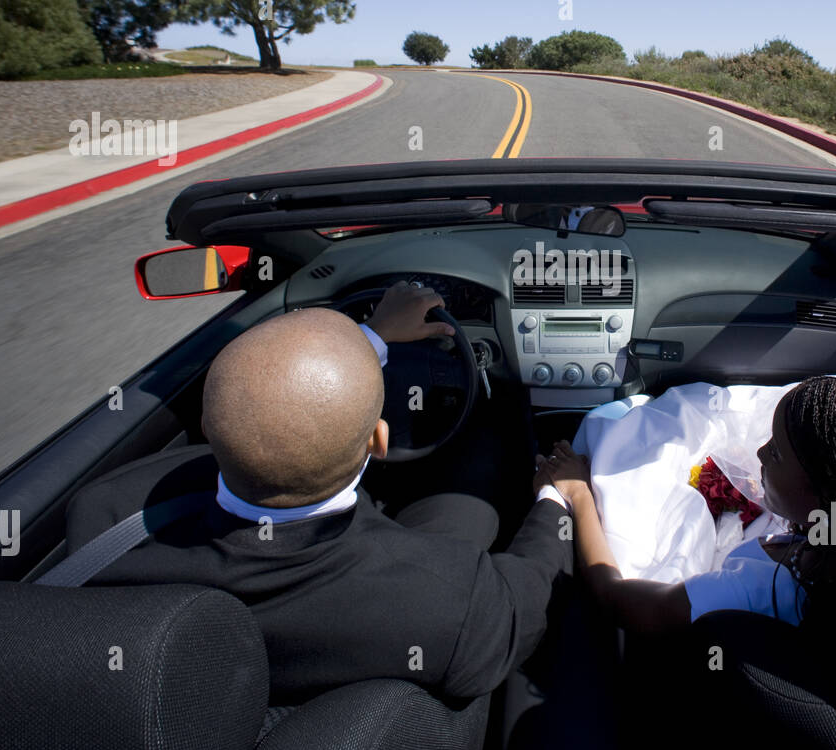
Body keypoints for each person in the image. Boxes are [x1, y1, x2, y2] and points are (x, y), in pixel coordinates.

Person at [67, 281, 574, 705]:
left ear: (206, 422)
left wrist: (372, 334)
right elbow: (524, 594)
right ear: (380, 440)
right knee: (483, 444)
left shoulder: (104, 519)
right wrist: (555, 497)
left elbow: (282, 387)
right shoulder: (452, 606)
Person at [533, 367, 836, 632]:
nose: (757, 452)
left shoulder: (765, 588)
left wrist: (578, 493)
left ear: (825, 496)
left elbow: (621, 602)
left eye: (774, 455)